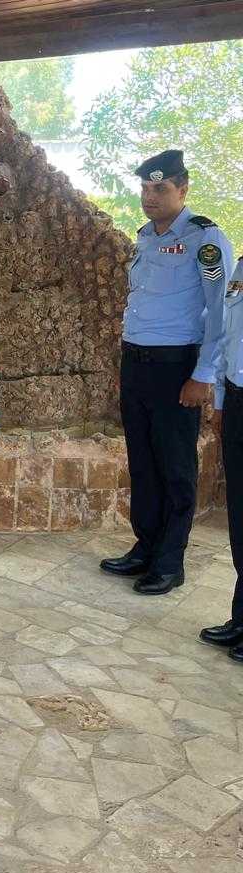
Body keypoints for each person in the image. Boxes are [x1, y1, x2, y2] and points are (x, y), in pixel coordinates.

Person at [101, 149, 233, 595]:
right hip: (136, 362)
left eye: (160, 188)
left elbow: (219, 312)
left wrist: (204, 374)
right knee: (143, 461)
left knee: (176, 467)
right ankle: (146, 546)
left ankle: (170, 562)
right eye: (144, 188)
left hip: (177, 366)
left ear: (183, 189)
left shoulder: (204, 238)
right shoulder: (145, 236)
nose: (149, 196)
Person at [200, 254, 243, 660]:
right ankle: (240, 619)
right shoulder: (240, 269)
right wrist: (221, 401)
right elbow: (231, 338)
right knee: (240, 520)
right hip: (238, 399)